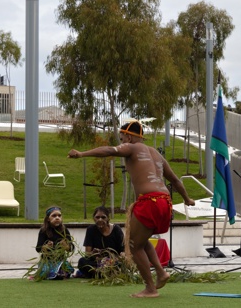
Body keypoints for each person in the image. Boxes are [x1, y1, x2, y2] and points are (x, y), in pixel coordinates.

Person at [68, 121, 195, 298]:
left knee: (133, 245)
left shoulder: (132, 148)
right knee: (141, 241)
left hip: (149, 201)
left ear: (128, 136)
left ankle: (150, 288)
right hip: (165, 201)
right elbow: (175, 180)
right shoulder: (157, 155)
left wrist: (82, 154)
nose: (121, 142)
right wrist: (186, 198)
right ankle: (161, 272)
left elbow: (109, 151)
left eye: (122, 139)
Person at [76, 206, 125, 278]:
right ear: (94, 218)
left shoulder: (116, 229)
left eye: (103, 217)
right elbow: (87, 254)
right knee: (82, 261)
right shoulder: (91, 230)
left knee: (120, 263)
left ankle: (103, 273)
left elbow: (123, 251)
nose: (100, 220)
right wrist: (93, 254)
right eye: (97, 217)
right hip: (97, 262)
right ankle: (101, 273)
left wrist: (116, 259)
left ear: (108, 218)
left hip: (113, 262)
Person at [35, 206, 75, 280]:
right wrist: (45, 247)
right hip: (47, 261)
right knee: (46, 272)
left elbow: (72, 248)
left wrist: (67, 246)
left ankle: (59, 273)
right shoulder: (43, 231)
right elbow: (38, 248)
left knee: (67, 270)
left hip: (60, 260)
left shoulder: (64, 230)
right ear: (48, 219)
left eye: (59, 216)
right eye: (54, 216)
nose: (57, 218)